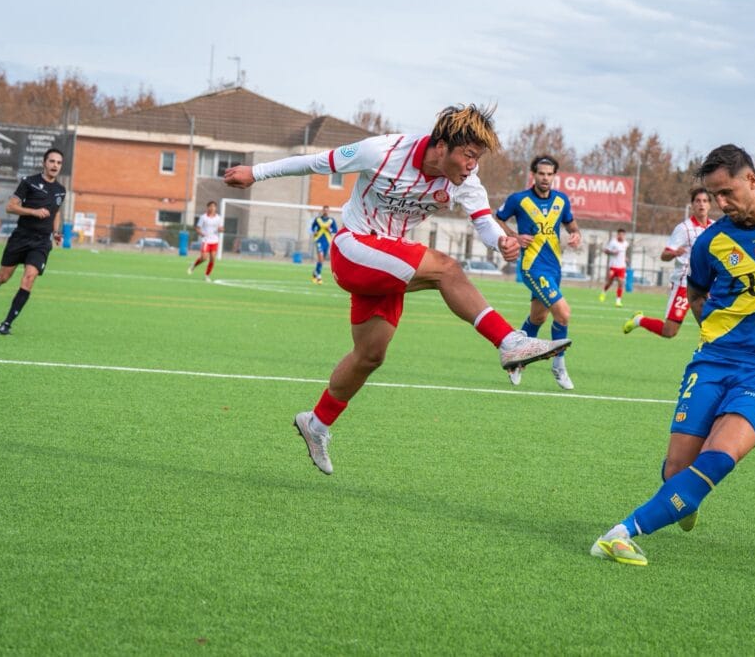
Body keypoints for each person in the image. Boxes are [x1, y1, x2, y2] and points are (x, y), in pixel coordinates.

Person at [224, 104, 570, 475]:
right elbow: (315, 162)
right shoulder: (383, 151)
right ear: (442, 146)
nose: (473, 165)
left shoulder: (466, 181)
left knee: (370, 355)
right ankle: (508, 342)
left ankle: (317, 423)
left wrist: (501, 241)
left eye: (477, 157)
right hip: (354, 249)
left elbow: (484, 222)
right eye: (469, 155)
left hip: (389, 264)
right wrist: (254, 173)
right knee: (446, 269)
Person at [591, 144, 755, 566]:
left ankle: (621, 532)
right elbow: (695, 293)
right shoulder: (711, 242)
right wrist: (715, 331)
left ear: (752, 179)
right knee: (676, 473)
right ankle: (681, 498)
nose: (720, 204)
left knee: (721, 455)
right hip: (713, 362)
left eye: (726, 193)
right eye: (714, 196)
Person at [495, 155, 582, 390]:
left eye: (549, 174)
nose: (545, 178)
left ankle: (516, 360)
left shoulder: (561, 200)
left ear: (555, 176)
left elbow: (571, 225)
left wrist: (575, 235)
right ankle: (559, 365)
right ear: (533, 175)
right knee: (563, 313)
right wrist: (514, 236)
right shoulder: (519, 199)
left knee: (538, 318)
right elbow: (497, 218)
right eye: (541, 173)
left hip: (554, 267)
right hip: (532, 267)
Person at [0, 148, 66, 335]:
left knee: (29, 277)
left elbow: (56, 212)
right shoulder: (29, 182)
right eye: (52, 161)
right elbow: (10, 207)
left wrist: (56, 232)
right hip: (21, 237)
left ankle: (7, 323)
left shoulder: (60, 190)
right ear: (44, 163)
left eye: (58, 163)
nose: (55, 165)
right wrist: (33, 211)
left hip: (41, 243)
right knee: (4, 277)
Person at [624, 187, 713, 338]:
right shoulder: (683, 229)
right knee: (669, 331)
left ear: (710, 205)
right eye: (698, 201)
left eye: (705, 201)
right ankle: (639, 320)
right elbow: (664, 255)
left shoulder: (715, 228)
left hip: (708, 285)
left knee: (713, 326)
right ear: (692, 205)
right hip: (684, 285)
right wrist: (674, 253)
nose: (701, 204)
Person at [188, 201, 223, 282]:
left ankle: (207, 276)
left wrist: (221, 229)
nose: (212, 208)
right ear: (208, 207)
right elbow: (197, 228)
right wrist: (201, 233)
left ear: (216, 208)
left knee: (212, 259)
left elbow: (221, 228)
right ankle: (193, 265)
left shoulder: (218, 218)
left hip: (215, 241)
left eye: (214, 206)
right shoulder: (203, 217)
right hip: (206, 241)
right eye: (210, 206)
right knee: (204, 258)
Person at [599, 228, 629, 307]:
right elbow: (606, 251)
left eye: (623, 235)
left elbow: (623, 253)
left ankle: (618, 301)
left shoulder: (626, 243)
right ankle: (603, 292)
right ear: (617, 235)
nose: (621, 236)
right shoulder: (613, 242)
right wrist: (612, 252)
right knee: (610, 282)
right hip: (613, 266)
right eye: (620, 234)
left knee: (621, 283)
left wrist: (625, 258)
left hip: (622, 267)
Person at [310, 205, 338, 284]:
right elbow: (312, 228)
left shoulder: (331, 220)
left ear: (328, 211)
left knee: (321, 259)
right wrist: (314, 231)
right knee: (321, 257)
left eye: (327, 210)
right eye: (324, 210)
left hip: (327, 241)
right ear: (322, 211)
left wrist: (330, 229)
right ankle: (319, 276)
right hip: (318, 240)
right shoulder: (318, 219)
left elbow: (335, 230)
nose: (325, 211)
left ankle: (315, 272)